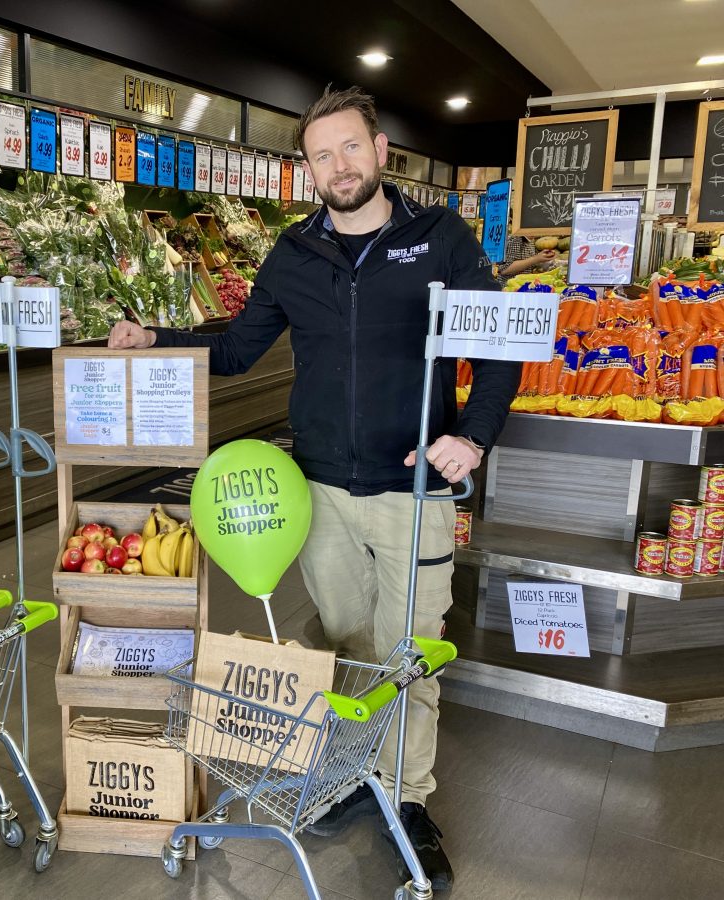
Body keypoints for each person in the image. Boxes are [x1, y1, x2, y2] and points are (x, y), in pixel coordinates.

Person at [108, 84, 520, 891]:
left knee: (409, 658)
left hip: (414, 491)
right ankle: (355, 774)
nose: (339, 165)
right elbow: (236, 352)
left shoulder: (441, 238)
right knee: (342, 645)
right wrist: (155, 336)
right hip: (321, 488)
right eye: (321, 155)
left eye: (350, 148)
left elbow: (498, 351)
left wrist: (471, 437)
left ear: (380, 151)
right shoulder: (293, 254)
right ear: (307, 169)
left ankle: (406, 800)